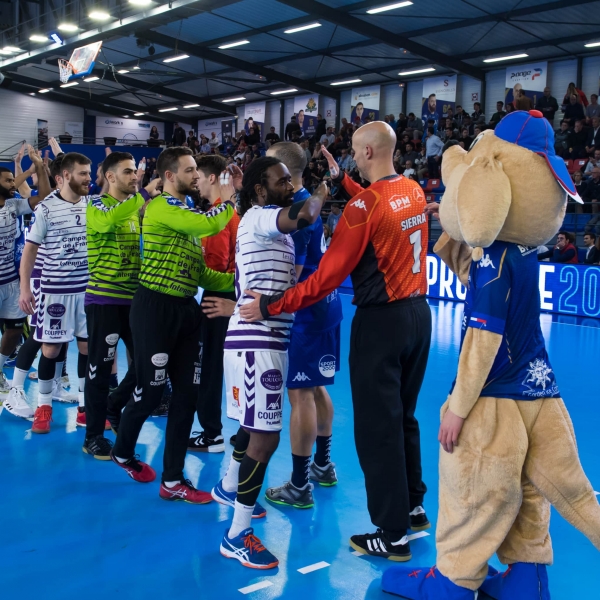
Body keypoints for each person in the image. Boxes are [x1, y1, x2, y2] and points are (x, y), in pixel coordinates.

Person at [240, 121, 431, 562]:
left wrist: (270, 305)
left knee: (377, 429)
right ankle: (414, 505)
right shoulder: (414, 190)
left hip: (381, 322)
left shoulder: (363, 206)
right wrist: (345, 181)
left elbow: (326, 279)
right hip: (419, 316)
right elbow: (379, 202)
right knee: (404, 417)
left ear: (363, 152)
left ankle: (392, 533)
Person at [214, 158, 328, 568]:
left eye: (291, 179)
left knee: (253, 425)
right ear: (261, 192)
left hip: (270, 336)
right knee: (265, 437)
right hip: (255, 341)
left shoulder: (261, 218)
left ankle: (229, 487)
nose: (290, 184)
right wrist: (320, 190)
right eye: (282, 181)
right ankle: (237, 534)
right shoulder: (262, 217)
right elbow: (308, 212)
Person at [109, 147, 235, 502]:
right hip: (155, 308)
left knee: (188, 395)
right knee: (150, 392)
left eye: (197, 170)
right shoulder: (164, 207)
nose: (196, 175)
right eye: (190, 170)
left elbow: (199, 271)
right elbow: (212, 223)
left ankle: (173, 480)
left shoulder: (186, 210)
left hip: (185, 309)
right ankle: (122, 449)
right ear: (169, 176)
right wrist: (228, 199)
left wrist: (240, 285)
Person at [82, 152, 159, 459]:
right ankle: (93, 436)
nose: (134, 177)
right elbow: (106, 222)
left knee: (145, 364)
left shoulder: (134, 209)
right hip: (104, 299)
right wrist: (143, 195)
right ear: (110, 177)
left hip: (134, 300)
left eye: (135, 172)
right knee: (99, 371)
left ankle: (114, 407)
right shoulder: (97, 205)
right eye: (128, 172)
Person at [15, 153, 91, 433]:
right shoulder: (46, 208)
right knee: (50, 349)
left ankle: (85, 408)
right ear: (66, 176)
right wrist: (26, 288)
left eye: (89, 173)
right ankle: (43, 407)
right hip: (54, 291)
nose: (88, 178)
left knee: (86, 348)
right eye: (83, 173)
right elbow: (30, 250)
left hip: (86, 291)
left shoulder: (92, 205)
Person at [187, 155, 240, 453]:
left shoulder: (219, 217)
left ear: (212, 178)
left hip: (217, 298)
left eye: (198, 173)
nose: (195, 178)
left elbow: (217, 266)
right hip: (226, 295)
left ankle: (211, 433)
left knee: (208, 366)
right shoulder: (226, 213)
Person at [0, 148, 49, 399]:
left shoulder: (13, 206)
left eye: (12, 180)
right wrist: (27, 170)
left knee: (16, 330)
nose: (13, 185)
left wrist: (39, 167)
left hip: (9, 280)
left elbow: (44, 197)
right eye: (7, 180)